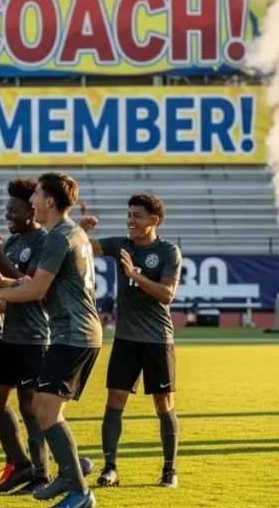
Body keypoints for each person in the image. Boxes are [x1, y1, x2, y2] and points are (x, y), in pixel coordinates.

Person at [0, 172, 101, 508]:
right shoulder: (70, 232)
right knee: (42, 408)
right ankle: (69, 477)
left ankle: (76, 487)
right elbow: (34, 283)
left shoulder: (57, 237)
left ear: (49, 201)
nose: (32, 200)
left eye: (36, 194)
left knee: (44, 410)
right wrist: (1, 281)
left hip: (73, 333)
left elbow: (36, 290)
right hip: (73, 333)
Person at [80, 194, 182, 489]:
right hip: (125, 339)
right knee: (114, 401)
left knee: (163, 404)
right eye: (129, 215)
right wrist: (80, 230)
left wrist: (135, 275)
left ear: (154, 220)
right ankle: (110, 468)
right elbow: (83, 247)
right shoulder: (120, 245)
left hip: (158, 339)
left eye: (137, 216)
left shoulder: (167, 251)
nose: (130, 221)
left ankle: (169, 470)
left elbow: (167, 295)